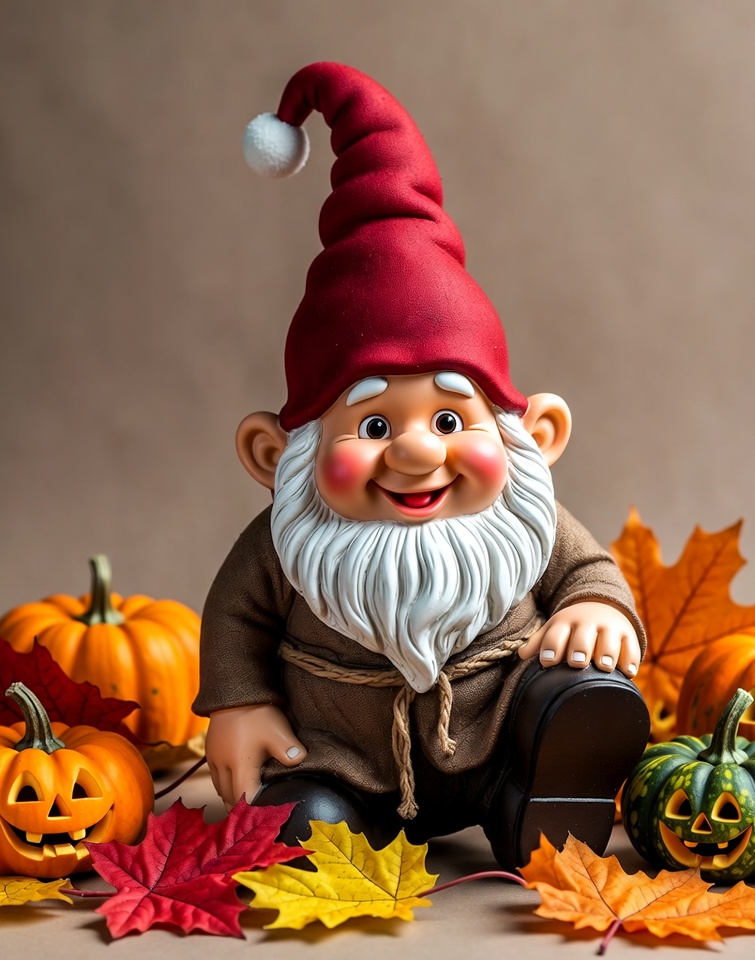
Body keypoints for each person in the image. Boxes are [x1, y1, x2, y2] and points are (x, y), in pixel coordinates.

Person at [193, 62, 649, 871]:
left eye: (448, 418)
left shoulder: (518, 524)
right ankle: (329, 819)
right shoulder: (286, 546)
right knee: (307, 824)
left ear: (534, 433)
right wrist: (240, 702)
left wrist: (598, 614)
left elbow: (587, 570)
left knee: (558, 692)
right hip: (343, 756)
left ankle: (538, 786)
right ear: (275, 455)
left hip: (497, 731)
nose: (414, 452)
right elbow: (236, 617)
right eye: (371, 424)